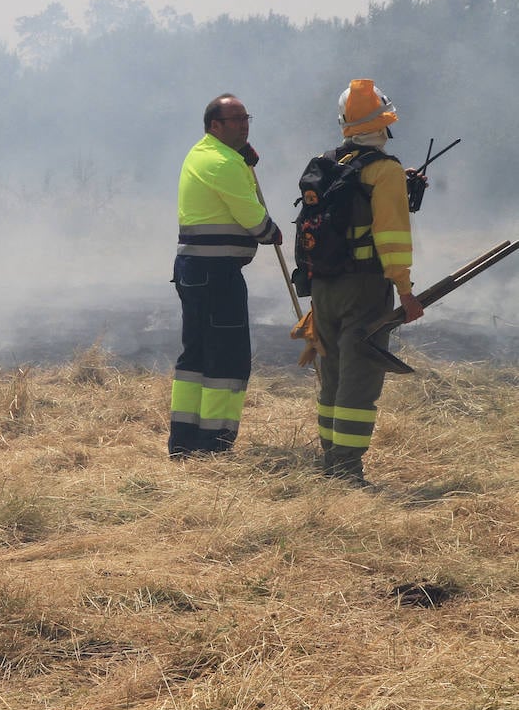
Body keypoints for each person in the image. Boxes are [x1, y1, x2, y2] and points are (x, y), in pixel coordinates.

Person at [300, 79, 424, 485]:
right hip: (365, 289)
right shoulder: (384, 171)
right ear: (385, 121)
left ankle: (329, 462)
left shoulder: (327, 162)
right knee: (360, 376)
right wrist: (405, 293)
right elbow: (391, 237)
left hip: (324, 288)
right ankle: (348, 470)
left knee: (332, 374)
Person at [169, 94, 281, 457]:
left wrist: (244, 163)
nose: (244, 125)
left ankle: (183, 441)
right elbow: (253, 218)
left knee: (196, 356)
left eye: (247, 118)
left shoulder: (201, 154)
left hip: (193, 269)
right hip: (217, 273)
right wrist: (270, 231)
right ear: (215, 126)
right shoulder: (223, 162)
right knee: (228, 358)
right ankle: (214, 445)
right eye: (235, 120)